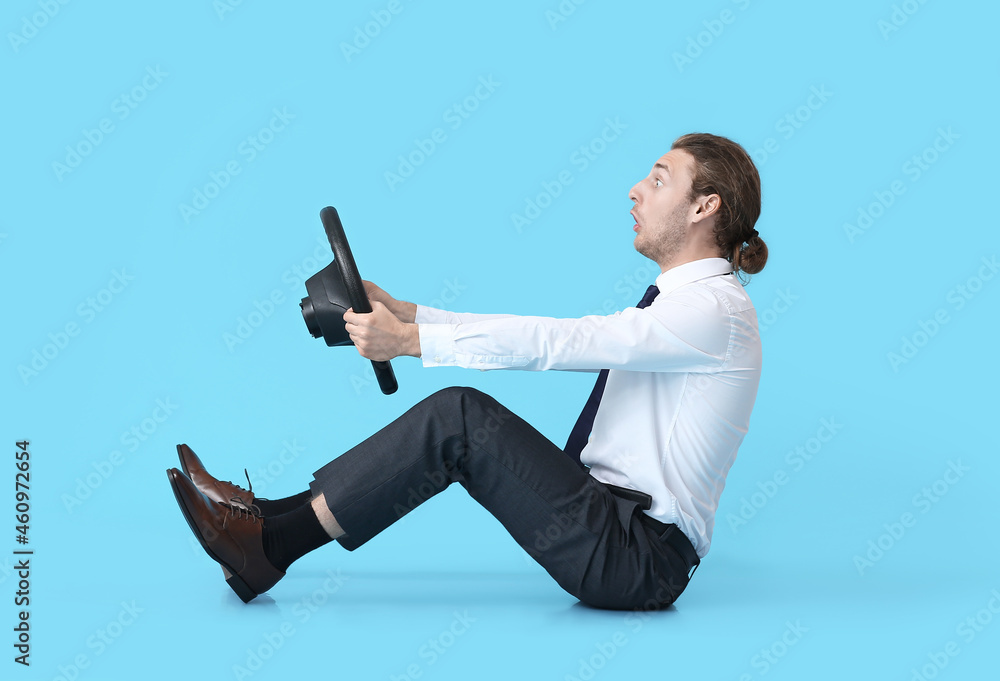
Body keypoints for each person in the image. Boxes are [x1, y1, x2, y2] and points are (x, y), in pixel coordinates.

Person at [167, 132, 768, 611]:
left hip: (637, 559)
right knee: (458, 418)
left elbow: (563, 341)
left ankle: (268, 546)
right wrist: (410, 314)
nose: (635, 190)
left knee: (459, 416)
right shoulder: (685, 305)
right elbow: (562, 334)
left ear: (703, 206)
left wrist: (413, 340)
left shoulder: (715, 312)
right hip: (605, 522)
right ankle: (266, 519)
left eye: (658, 180)